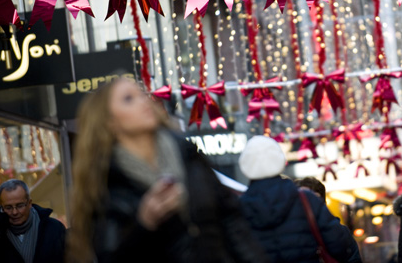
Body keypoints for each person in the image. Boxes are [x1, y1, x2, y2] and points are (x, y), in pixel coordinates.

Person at [66, 77, 268, 263]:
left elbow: (232, 221)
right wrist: (144, 224)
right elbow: (110, 257)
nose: (144, 101)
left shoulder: (188, 155)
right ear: (109, 122)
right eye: (128, 99)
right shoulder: (107, 183)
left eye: (141, 94)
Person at [239, 135, 356, 263]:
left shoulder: (238, 209)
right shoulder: (306, 200)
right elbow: (340, 246)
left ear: (245, 165)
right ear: (279, 160)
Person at [294, 176, 363, 263]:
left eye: (314, 201)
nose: (311, 207)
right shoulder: (285, 233)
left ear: (323, 204)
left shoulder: (341, 233)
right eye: (305, 201)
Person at [0, 179, 66, 263]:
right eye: (8, 207)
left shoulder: (55, 229)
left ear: (29, 203)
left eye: (20, 206)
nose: (14, 212)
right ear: (1, 207)